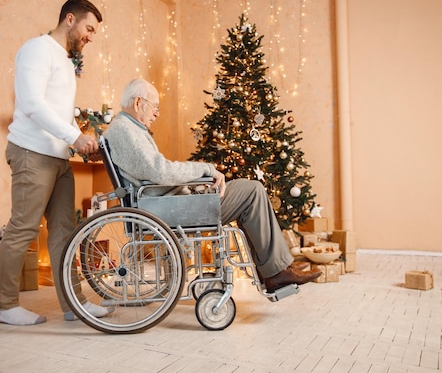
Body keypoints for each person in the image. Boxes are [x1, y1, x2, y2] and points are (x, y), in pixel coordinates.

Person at [104, 78, 322, 293]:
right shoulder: (125, 131)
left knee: (249, 193)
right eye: (154, 107)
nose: (157, 113)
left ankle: (276, 270)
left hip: (169, 204)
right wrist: (206, 169)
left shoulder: (127, 129)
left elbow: (155, 172)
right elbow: (161, 171)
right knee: (253, 191)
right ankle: (276, 272)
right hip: (170, 209)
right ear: (137, 102)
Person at [0, 0, 113, 326]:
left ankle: (73, 304)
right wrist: (74, 137)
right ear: (70, 19)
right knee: (23, 228)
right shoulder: (37, 49)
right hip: (32, 153)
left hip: (59, 159)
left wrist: (79, 140)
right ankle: (4, 305)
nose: (90, 36)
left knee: (64, 233)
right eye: (89, 28)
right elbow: (31, 103)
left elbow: (59, 113)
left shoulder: (65, 61)